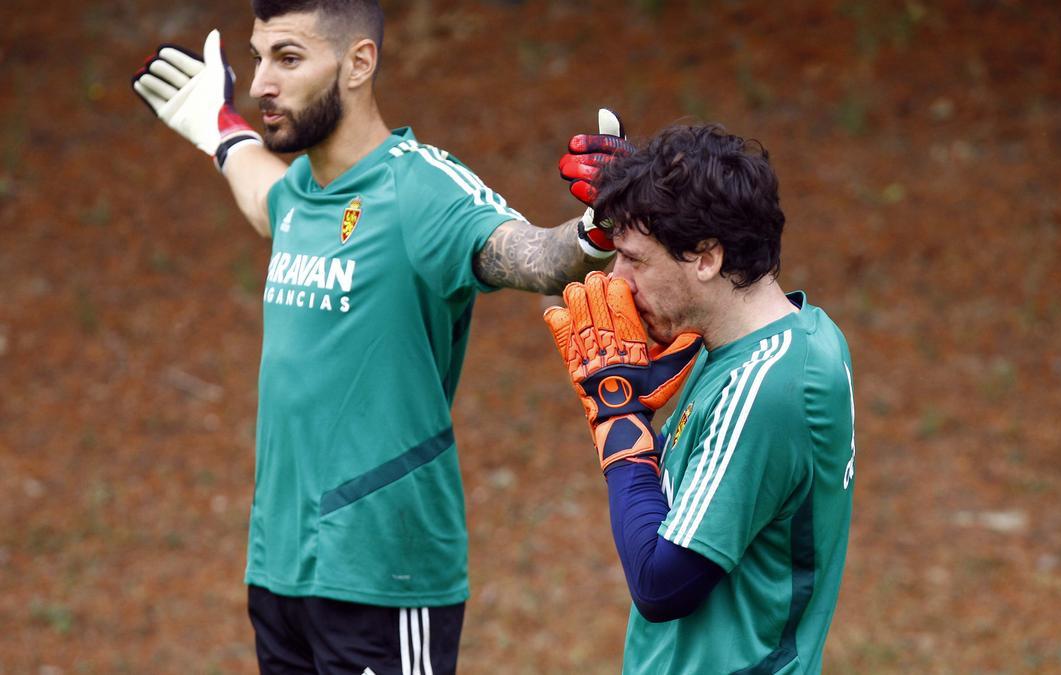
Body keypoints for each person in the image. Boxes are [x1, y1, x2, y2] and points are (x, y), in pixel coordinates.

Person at [131, 1, 626, 672]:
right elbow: (262, 196)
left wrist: (596, 230)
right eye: (257, 58)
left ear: (360, 63)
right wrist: (217, 127)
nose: (260, 85)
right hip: (281, 570)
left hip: (383, 579)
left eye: (288, 58)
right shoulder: (303, 191)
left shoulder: (421, 187)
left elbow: (534, 257)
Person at [543, 124, 856, 674]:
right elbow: (702, 496)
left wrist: (618, 420)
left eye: (635, 259)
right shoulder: (786, 338)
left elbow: (662, 586)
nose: (617, 281)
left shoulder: (765, 389)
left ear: (706, 257)